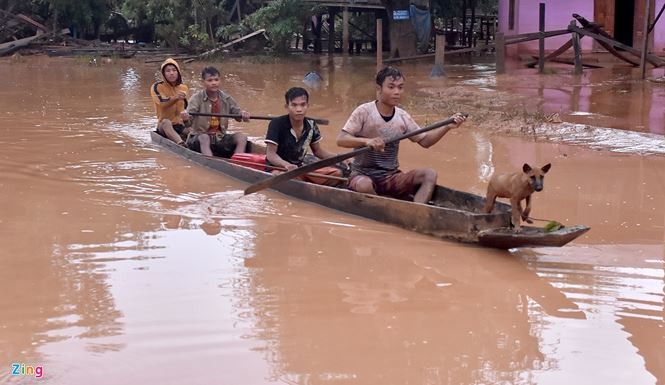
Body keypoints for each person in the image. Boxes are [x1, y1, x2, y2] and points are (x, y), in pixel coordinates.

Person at [336, 66, 466, 203]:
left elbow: (425, 141)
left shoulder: (402, 116)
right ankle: (383, 207)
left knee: (429, 174)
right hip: (362, 175)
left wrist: (447, 127)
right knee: (364, 185)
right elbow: (341, 139)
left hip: (390, 177)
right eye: (391, 87)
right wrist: (366, 141)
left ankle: (416, 211)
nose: (397, 92)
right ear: (379, 89)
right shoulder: (364, 111)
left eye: (400, 87)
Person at [265, 87, 346, 186]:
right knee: (290, 180)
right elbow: (271, 154)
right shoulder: (276, 123)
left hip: (300, 168)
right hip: (278, 168)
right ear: (287, 106)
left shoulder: (311, 125)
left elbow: (318, 151)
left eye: (303, 105)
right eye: (294, 105)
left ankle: (309, 184)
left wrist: (340, 157)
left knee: (337, 174)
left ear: (308, 106)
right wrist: (287, 165)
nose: (299, 109)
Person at [181, 66, 250, 157]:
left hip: (219, 138)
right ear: (203, 82)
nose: (214, 83)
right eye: (210, 80)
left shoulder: (226, 98)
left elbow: (238, 115)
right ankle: (210, 161)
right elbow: (188, 124)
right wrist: (185, 118)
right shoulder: (196, 98)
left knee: (242, 137)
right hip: (199, 137)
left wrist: (243, 115)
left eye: (216, 80)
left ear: (220, 81)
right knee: (204, 137)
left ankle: (237, 163)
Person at [150, 58, 190, 146]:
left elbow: (186, 107)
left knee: (194, 130)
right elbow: (162, 103)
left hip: (179, 125)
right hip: (164, 126)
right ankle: (180, 143)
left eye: (174, 70)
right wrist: (176, 97)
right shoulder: (157, 86)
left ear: (178, 72)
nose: (171, 73)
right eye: (168, 71)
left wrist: (187, 120)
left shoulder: (184, 88)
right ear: (163, 74)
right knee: (166, 122)